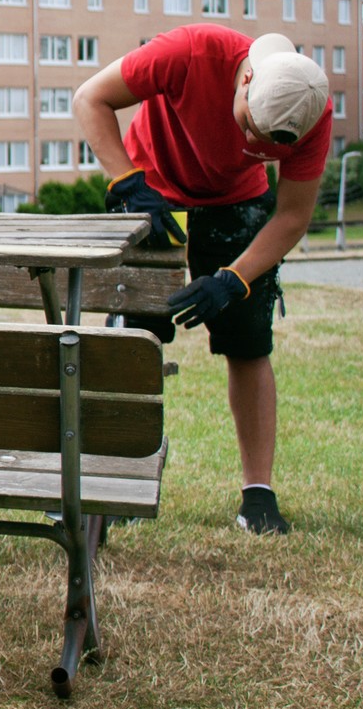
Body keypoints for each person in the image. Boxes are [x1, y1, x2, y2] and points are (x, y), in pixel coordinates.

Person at [73, 26, 332, 536]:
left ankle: (258, 496)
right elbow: (90, 99)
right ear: (247, 80)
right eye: (249, 126)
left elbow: (293, 216)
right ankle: (119, 479)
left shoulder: (310, 113)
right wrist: (127, 181)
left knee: (249, 345)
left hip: (236, 207)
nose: (250, 144)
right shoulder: (191, 53)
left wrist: (234, 280)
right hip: (155, 194)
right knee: (134, 340)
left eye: (265, 144)